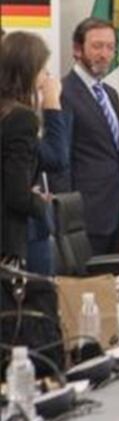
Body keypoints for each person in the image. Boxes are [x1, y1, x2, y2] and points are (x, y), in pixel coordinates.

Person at [57, 18, 119, 255]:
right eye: (97, 46)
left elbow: (118, 159)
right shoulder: (62, 93)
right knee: (85, 290)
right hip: (82, 220)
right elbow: (60, 161)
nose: (105, 54)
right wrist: (67, 220)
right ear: (77, 49)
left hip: (114, 217)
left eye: (110, 47)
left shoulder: (110, 94)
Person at [1, 33, 54, 268]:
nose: (46, 77)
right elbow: (16, 195)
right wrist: (40, 203)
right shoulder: (22, 118)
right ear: (28, 71)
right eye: (43, 69)